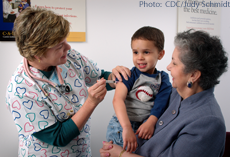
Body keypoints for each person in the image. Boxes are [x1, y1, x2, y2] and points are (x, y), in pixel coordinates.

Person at [5, 7, 130, 157]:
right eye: (60, 46)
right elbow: (59, 137)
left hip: (81, 151)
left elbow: (99, 77)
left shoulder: (69, 57)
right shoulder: (20, 90)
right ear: (37, 54)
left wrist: (117, 77)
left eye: (65, 41)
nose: (68, 47)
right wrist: (91, 102)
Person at [100, 29, 228, 157]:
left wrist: (120, 154)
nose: (168, 67)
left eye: (174, 63)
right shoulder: (176, 93)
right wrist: (117, 73)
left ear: (193, 75)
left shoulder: (208, 123)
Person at [106, 26, 172, 152]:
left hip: (145, 127)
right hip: (122, 126)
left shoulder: (163, 78)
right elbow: (118, 100)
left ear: (160, 54)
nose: (139, 57)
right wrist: (126, 127)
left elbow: (161, 103)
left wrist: (151, 122)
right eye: (135, 52)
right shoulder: (129, 75)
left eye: (146, 52)